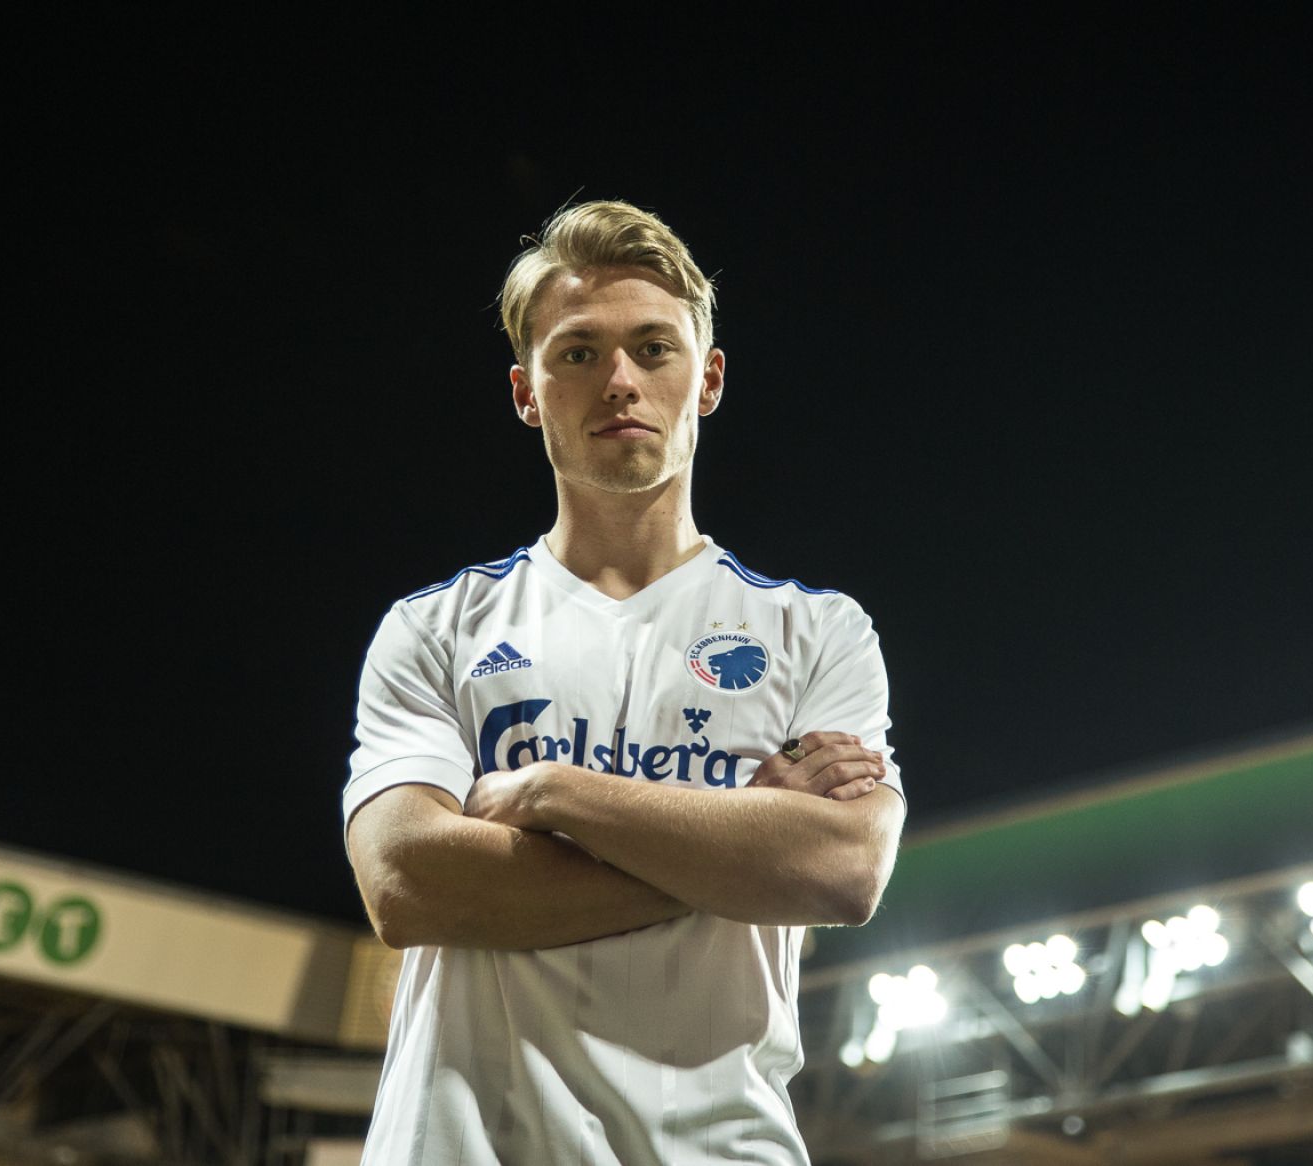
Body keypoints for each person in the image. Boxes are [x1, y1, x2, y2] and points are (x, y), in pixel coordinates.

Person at [341, 200, 906, 1164]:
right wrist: (735, 847)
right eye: (578, 353)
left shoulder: (818, 631)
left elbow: (843, 871)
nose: (619, 381)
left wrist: (552, 793)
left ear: (708, 379)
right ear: (526, 392)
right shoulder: (435, 628)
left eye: (653, 349)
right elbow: (406, 883)